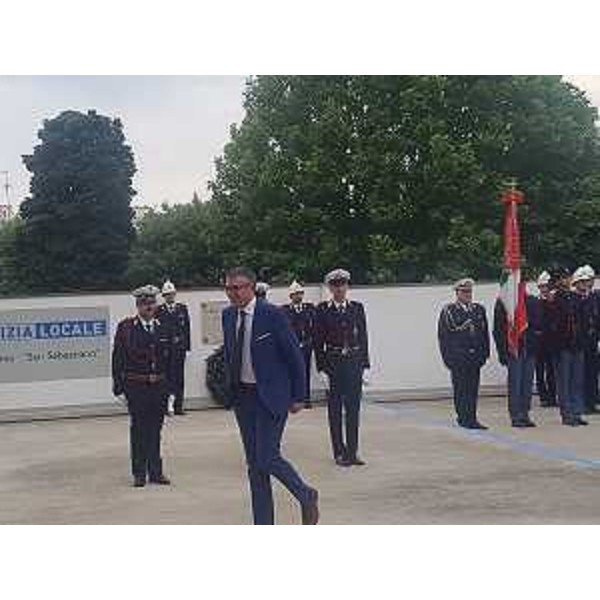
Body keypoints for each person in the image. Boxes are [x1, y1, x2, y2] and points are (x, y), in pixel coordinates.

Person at [221, 267, 319, 525]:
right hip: (243, 397)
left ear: (252, 288)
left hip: (271, 396)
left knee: (267, 457)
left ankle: (306, 494)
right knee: (255, 467)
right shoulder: (228, 315)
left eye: (238, 287)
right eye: (229, 288)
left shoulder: (272, 315)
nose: (233, 293)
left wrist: (299, 395)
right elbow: (231, 353)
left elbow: (294, 355)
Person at [112, 285, 172, 487]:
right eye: (144, 303)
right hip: (136, 386)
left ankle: (155, 471)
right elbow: (118, 358)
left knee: (156, 430)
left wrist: (171, 388)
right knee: (139, 430)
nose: (148, 307)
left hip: (159, 386)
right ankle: (139, 472)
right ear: (138, 306)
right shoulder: (126, 328)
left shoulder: (163, 327)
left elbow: (170, 361)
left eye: (151, 303)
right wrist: (119, 388)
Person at [314, 269, 370, 467]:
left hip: (353, 362)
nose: (339, 289)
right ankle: (339, 451)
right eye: (335, 285)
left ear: (347, 286)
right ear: (330, 288)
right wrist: (321, 369)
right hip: (334, 363)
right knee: (335, 410)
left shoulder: (357, 308)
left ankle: (352, 452)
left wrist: (365, 365)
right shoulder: (323, 309)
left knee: (353, 409)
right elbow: (318, 342)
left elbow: (363, 337)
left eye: (343, 285)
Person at [437, 278, 490, 430]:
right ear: (457, 293)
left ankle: (472, 418)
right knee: (461, 389)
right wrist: (448, 359)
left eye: (469, 291)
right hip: (458, 357)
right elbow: (443, 336)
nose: (467, 294)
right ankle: (463, 418)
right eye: (464, 292)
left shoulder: (478, 310)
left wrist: (485, 354)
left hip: (475, 356)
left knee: (473, 389)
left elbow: (484, 333)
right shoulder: (449, 311)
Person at [493, 290, 543, 427]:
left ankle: (525, 413)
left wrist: (536, 344)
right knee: (515, 384)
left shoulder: (531, 300)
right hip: (513, 349)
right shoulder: (504, 302)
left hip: (529, 348)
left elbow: (539, 324)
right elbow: (498, 329)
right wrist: (502, 352)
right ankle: (515, 415)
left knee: (527, 384)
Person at [545, 266, 587, 426]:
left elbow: (581, 319)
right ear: (559, 280)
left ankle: (576, 412)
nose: (568, 280)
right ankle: (567, 414)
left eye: (568, 277)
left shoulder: (574, 296)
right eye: (564, 278)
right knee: (564, 382)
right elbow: (551, 323)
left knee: (577, 381)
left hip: (576, 344)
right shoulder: (554, 298)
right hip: (562, 345)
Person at [157, 280, 191, 416]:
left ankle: (178, 406)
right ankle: (165, 406)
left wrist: (186, 347)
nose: (169, 297)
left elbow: (186, 328)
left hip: (179, 349)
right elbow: (158, 330)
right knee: (165, 378)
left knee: (179, 378)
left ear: (174, 294)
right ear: (163, 296)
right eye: (167, 295)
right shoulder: (159, 310)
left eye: (171, 294)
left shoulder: (182, 308)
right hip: (165, 349)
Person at [282, 280, 316, 408]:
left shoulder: (309, 308)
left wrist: (310, 341)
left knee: (305, 372)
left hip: (306, 345)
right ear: (291, 296)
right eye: (296, 294)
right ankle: (292, 398)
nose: (299, 296)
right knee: (292, 373)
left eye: (300, 293)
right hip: (292, 347)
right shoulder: (285, 310)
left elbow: (314, 327)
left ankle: (306, 398)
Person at [572, 266, 599, 414]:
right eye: (583, 281)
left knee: (592, 373)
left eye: (588, 280)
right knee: (580, 375)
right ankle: (581, 403)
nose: (587, 283)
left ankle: (591, 402)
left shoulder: (593, 297)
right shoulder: (574, 298)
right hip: (580, 342)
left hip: (593, 340)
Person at [534, 271, 557, 407]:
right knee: (539, 370)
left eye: (546, 286)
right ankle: (543, 396)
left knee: (551, 370)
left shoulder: (553, 301)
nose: (544, 289)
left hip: (551, 341)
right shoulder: (535, 302)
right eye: (541, 286)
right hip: (538, 342)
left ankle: (552, 396)